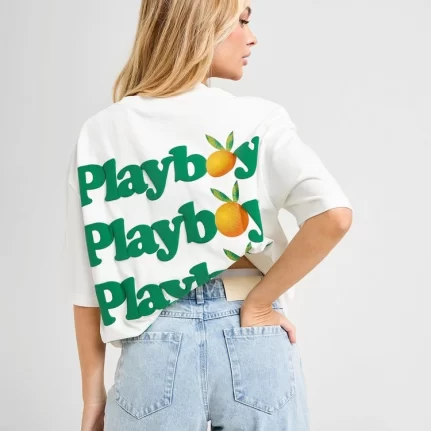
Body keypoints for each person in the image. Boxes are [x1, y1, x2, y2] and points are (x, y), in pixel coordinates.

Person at [63, 1, 353, 430]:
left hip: (153, 344)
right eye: (242, 21)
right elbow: (334, 215)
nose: (252, 37)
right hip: (251, 338)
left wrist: (92, 398)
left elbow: (87, 280)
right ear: (201, 24)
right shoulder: (257, 120)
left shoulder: (100, 133)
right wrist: (259, 304)